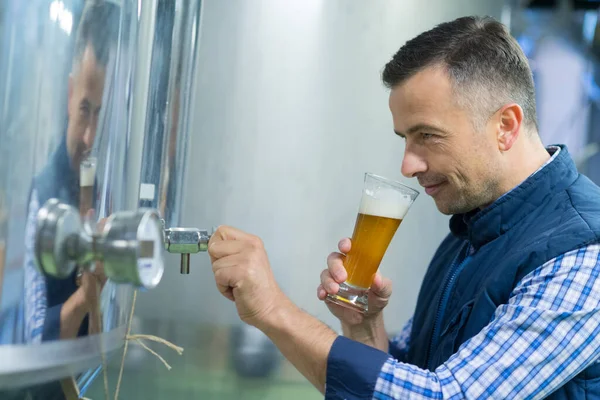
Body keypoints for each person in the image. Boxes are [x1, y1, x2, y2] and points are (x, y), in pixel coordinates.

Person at [207, 16, 600, 399]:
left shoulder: (584, 253)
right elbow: (410, 378)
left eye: (427, 135)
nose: (408, 165)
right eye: (405, 138)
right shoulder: (471, 231)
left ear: (506, 126)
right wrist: (364, 327)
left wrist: (272, 309)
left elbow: (446, 395)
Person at [23, 0, 118, 344]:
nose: (90, 137)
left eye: (102, 118)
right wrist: (84, 296)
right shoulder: (41, 193)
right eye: (84, 110)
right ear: (68, 95)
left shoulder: (111, 189)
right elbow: (30, 339)